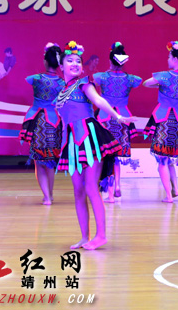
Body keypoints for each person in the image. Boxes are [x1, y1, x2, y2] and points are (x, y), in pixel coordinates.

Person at [55, 41, 133, 250]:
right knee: (78, 191)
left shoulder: (84, 83)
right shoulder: (61, 92)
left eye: (78, 61)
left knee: (91, 187)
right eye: (69, 60)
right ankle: (84, 236)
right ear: (61, 66)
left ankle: (101, 236)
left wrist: (117, 117)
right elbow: (64, 122)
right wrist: (63, 148)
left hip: (90, 138)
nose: (74, 63)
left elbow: (99, 101)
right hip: (72, 144)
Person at [143, 41, 178, 203]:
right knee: (168, 159)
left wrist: (159, 86)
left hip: (164, 120)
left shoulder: (165, 76)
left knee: (162, 159)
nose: (168, 59)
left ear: (175, 59)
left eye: (169, 56)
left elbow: (146, 83)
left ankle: (168, 196)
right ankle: (176, 188)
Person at [93, 42, 142, 203]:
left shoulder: (101, 77)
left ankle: (110, 194)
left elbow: (94, 81)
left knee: (107, 156)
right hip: (122, 119)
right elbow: (139, 81)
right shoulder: (130, 79)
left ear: (110, 60)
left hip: (105, 118)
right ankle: (118, 185)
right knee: (116, 156)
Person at [19, 43, 65, 205]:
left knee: (39, 162)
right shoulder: (62, 83)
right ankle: (50, 195)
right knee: (50, 161)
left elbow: (27, 79)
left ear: (45, 61)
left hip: (38, 122)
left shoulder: (36, 79)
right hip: (54, 122)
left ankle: (46, 196)